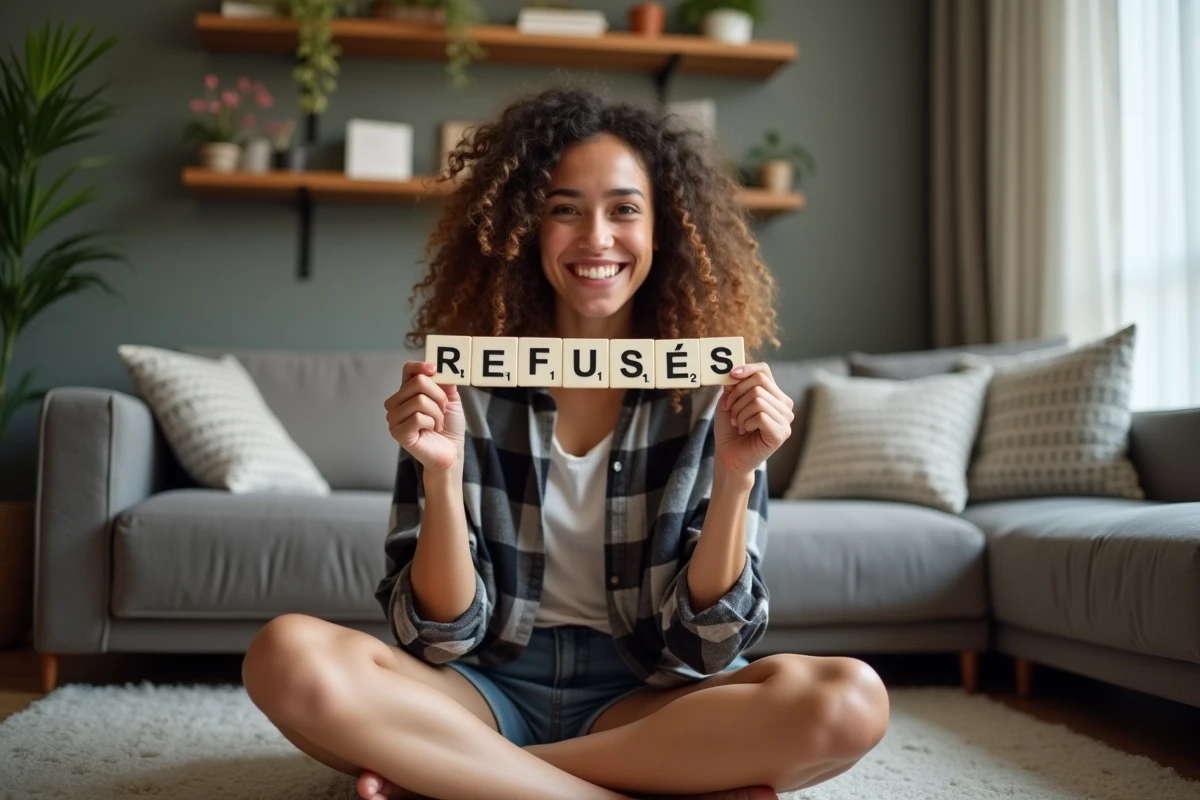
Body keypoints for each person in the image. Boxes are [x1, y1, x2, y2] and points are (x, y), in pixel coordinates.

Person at [242, 85, 889, 800]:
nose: (597, 239)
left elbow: (708, 645)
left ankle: (463, 776)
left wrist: (736, 478)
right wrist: (439, 476)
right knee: (286, 656)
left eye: (624, 209)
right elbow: (437, 640)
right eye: (564, 210)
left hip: (643, 699)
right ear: (524, 226)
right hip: (480, 689)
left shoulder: (712, 389)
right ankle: (619, 789)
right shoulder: (464, 384)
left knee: (850, 700)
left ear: (664, 228)